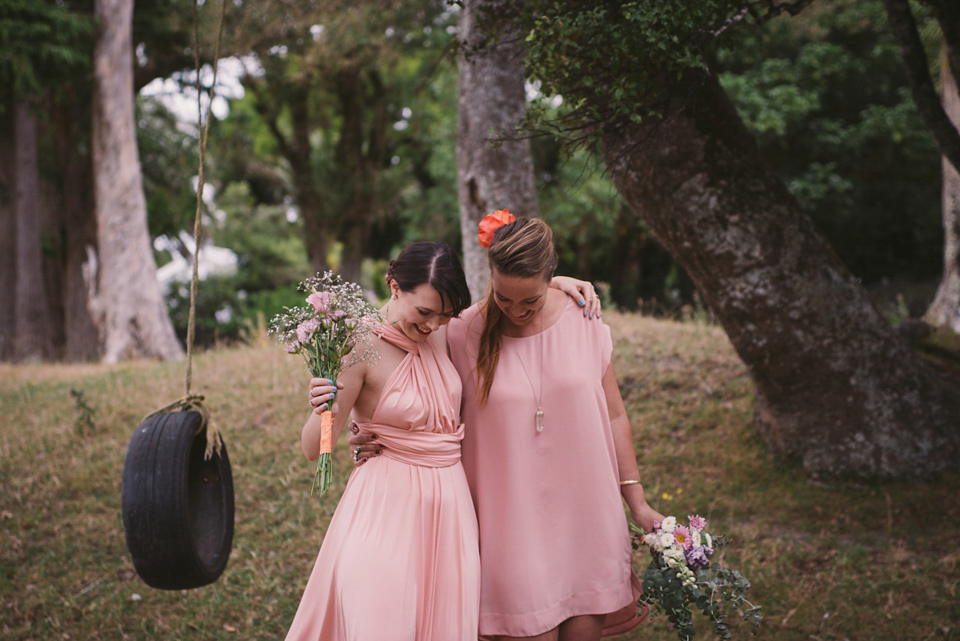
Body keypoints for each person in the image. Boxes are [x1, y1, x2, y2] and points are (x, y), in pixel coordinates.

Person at [352, 215, 663, 641]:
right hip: (507, 529)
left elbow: (614, 415)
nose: (515, 311)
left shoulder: (584, 318)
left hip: (587, 520)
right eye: (504, 297)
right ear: (490, 278)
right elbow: (400, 363)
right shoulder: (460, 333)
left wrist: (638, 502)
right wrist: (366, 427)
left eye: (529, 300)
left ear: (550, 278)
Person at [286, 240, 599, 641]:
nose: (432, 325)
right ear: (393, 285)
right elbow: (315, 449)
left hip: (451, 513)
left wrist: (556, 283)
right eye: (424, 312)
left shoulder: (449, 331)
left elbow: (509, 298)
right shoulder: (356, 347)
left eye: (444, 314)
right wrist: (322, 410)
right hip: (387, 509)